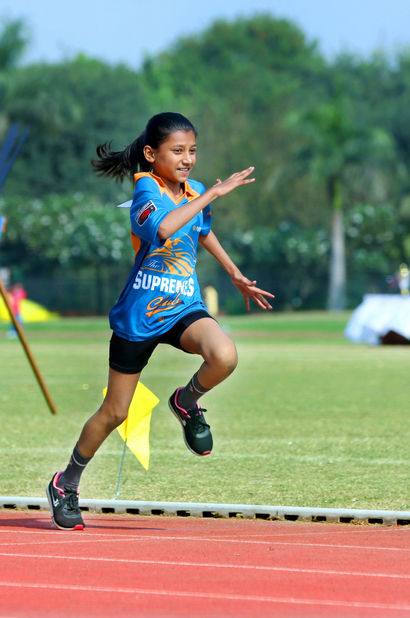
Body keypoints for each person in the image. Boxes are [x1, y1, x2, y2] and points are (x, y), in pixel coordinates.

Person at [46, 112, 273, 531]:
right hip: (140, 315)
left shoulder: (195, 191)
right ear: (151, 154)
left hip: (183, 305)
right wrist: (213, 194)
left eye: (192, 151)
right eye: (178, 151)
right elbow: (167, 228)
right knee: (115, 413)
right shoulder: (146, 191)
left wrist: (234, 273)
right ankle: (66, 482)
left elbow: (201, 231)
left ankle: (185, 401)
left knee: (224, 356)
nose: (187, 159)